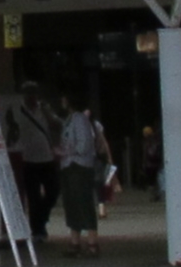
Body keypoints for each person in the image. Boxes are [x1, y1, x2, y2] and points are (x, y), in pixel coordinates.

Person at [58, 98, 108, 257]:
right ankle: (75, 241)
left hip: (78, 166)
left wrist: (65, 152)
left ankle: (92, 242)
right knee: (72, 204)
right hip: (70, 166)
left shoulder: (79, 119)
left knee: (82, 203)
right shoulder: (71, 118)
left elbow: (83, 145)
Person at [8, 87, 57, 241]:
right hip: (28, 159)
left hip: (47, 158)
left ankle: (42, 217)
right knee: (33, 196)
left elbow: (55, 125)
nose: (33, 97)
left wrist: (46, 111)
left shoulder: (44, 109)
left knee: (53, 191)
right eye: (29, 94)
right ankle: (38, 229)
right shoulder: (18, 111)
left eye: (35, 93)